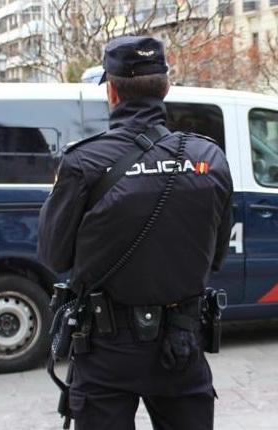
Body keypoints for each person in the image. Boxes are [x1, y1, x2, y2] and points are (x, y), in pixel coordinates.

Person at [38, 36, 233, 429]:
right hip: (181, 342)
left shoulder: (84, 161)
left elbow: (54, 256)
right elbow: (216, 256)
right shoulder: (208, 158)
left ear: (111, 91)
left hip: (106, 349)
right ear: (166, 87)